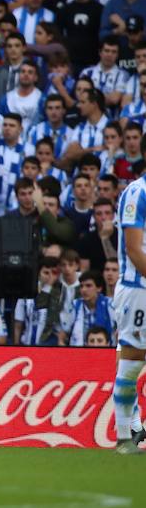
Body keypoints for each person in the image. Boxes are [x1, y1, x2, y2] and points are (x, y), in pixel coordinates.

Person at [111, 172, 146, 453]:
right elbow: (134, 249)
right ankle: (126, 435)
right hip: (138, 289)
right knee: (132, 359)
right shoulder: (137, 192)